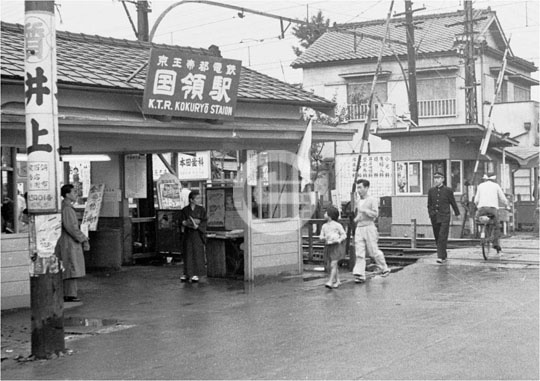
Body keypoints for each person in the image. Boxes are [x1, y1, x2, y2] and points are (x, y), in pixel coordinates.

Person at [54, 184, 90, 302]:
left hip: (66, 241)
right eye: (74, 192)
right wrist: (83, 238)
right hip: (68, 242)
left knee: (70, 267)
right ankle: (69, 294)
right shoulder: (67, 209)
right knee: (71, 267)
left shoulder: (65, 207)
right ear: (67, 195)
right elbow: (71, 227)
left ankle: (69, 293)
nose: (76, 194)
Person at [352, 179, 391, 283]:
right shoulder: (358, 201)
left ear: (366, 188)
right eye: (358, 188)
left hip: (369, 227)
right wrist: (356, 219)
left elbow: (375, 214)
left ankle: (384, 268)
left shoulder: (372, 200)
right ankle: (360, 274)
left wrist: (364, 210)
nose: (359, 190)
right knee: (359, 252)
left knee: (373, 251)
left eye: (360, 187)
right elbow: (359, 214)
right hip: (360, 227)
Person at [427, 171, 460, 264]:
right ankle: (443, 254)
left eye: (438, 178)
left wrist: (457, 214)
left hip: (445, 216)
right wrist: (431, 213)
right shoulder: (431, 191)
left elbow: (453, 202)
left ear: (443, 179)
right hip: (435, 217)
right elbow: (429, 205)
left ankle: (440, 257)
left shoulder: (448, 190)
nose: (436, 180)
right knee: (437, 236)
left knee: (442, 236)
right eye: (435, 178)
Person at [474, 173, 509, 253]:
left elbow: (476, 200)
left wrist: (478, 206)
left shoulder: (480, 186)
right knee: (496, 225)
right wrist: (507, 205)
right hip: (492, 209)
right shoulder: (496, 186)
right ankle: (495, 243)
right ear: (494, 179)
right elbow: (502, 198)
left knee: (479, 221)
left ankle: (481, 234)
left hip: (481, 209)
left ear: (485, 179)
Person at [180, 190, 207, 283]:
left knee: (197, 253)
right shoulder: (185, 210)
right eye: (197, 198)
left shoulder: (202, 209)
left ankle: (196, 273)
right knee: (188, 252)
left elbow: (204, 221)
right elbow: (181, 221)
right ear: (191, 200)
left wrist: (198, 226)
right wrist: (185, 223)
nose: (199, 200)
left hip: (197, 234)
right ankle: (187, 273)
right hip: (188, 233)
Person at [320, 205, 346, 289]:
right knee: (333, 265)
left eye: (326, 213)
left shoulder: (337, 225)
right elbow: (321, 236)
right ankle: (337, 281)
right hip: (328, 246)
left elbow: (343, 235)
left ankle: (330, 281)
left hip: (336, 247)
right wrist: (324, 238)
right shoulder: (324, 226)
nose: (324, 214)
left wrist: (338, 240)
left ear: (330, 215)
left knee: (333, 264)